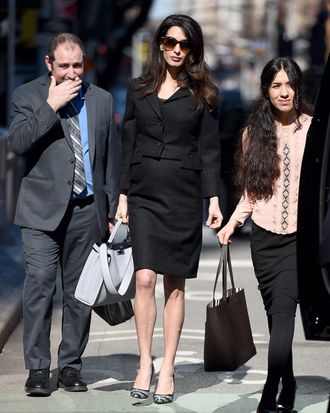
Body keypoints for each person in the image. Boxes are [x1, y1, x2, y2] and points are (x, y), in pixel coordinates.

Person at [115, 14, 222, 404]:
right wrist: (122, 195)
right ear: (160, 43)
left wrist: (213, 198)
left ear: (193, 49)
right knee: (143, 279)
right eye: (171, 42)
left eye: (186, 44)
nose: (178, 49)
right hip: (143, 194)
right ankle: (145, 362)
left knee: (174, 286)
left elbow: (209, 150)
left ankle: (169, 367)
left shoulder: (203, 93)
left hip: (182, 196)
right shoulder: (137, 89)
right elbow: (128, 143)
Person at [8, 33, 119, 396]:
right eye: (64, 66)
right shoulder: (27, 96)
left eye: (78, 66)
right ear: (49, 64)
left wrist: (114, 205)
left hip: (86, 212)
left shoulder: (100, 100)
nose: (73, 74)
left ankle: (70, 366)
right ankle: (38, 369)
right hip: (40, 212)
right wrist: (50, 105)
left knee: (79, 295)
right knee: (40, 286)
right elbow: (19, 144)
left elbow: (110, 158)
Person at [217, 57, 313, 413]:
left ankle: (270, 388)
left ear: (298, 87)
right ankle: (288, 382)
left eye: (289, 84)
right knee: (276, 318)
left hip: (298, 241)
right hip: (264, 241)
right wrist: (232, 224)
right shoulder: (252, 134)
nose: (284, 92)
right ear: (266, 91)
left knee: (285, 312)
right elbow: (252, 192)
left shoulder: (314, 130)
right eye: (277, 86)